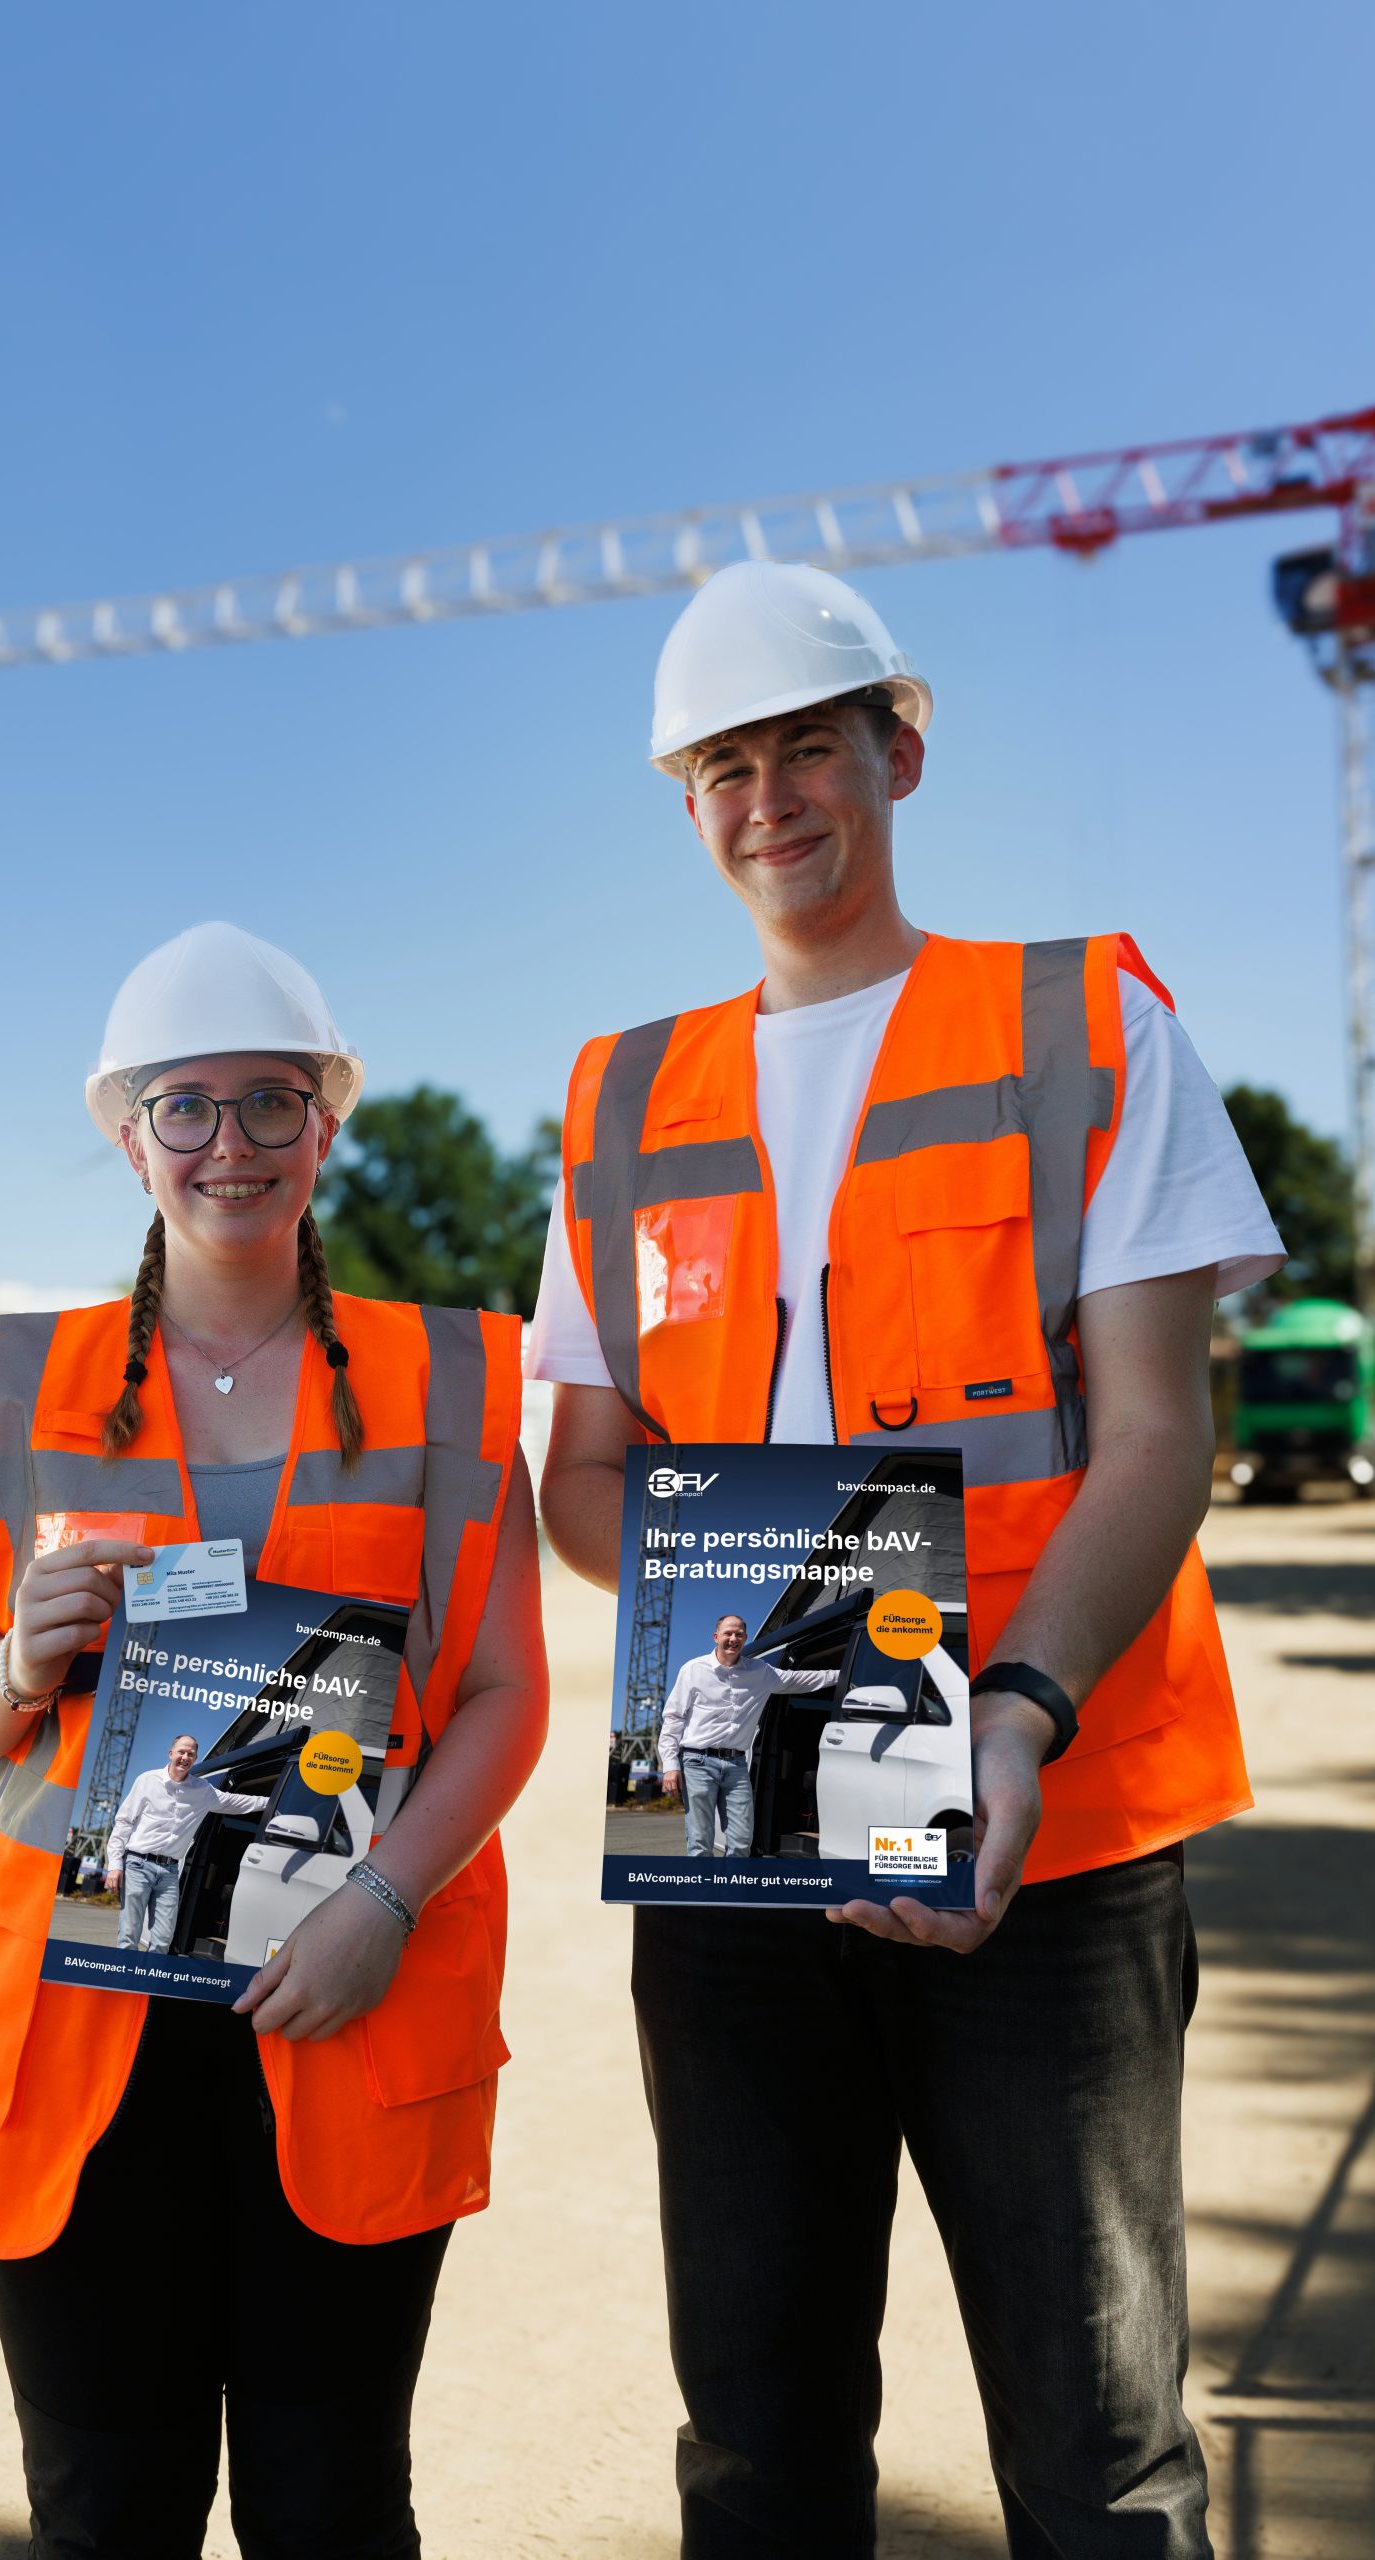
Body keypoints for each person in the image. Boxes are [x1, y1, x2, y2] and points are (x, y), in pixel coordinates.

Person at [531, 561, 1284, 2559]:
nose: (762, 794)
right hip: (737, 1837)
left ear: (898, 748)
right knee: (757, 2432)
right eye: (718, 762)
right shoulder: (615, 1099)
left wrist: (1005, 1711)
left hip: (1046, 1824)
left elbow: (1151, 1428)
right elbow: (581, 1474)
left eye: (803, 744)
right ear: (680, 802)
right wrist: (760, 1656)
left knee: (1098, 2439)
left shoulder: (1074, 1022)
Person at [0, 920, 548, 2560]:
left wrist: (383, 1899)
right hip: (70, 2035)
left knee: (331, 2511)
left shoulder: (448, 1379)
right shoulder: (9, 1385)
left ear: (327, 1125)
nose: (230, 1145)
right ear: (128, 1135)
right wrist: (16, 1660)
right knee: (107, 2511)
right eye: (185, 1107)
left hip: (341, 2004)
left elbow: (499, 1693)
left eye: (272, 1103)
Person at [657, 1612, 835, 1857]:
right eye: (728, 1633)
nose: (733, 1638)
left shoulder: (760, 1672)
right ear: (716, 1636)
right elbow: (673, 1718)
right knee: (700, 1840)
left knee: (742, 1840)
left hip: (737, 1765)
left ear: (745, 1638)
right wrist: (670, 1764)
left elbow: (800, 1679)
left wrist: (844, 1674)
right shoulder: (693, 1670)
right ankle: (701, 1893)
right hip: (697, 1762)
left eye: (739, 1634)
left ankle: (731, 1892)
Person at [105, 1732, 265, 1950]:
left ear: (195, 1758)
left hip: (169, 1871)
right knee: (129, 1935)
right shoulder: (147, 1780)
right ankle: (122, 1982)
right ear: (171, 1753)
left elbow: (235, 1802)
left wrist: (271, 1800)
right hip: (138, 1865)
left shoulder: (202, 1791)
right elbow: (123, 1823)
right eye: (181, 1752)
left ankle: (146, 1982)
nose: (185, 1757)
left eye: (191, 1754)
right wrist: (114, 1865)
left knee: (163, 1939)